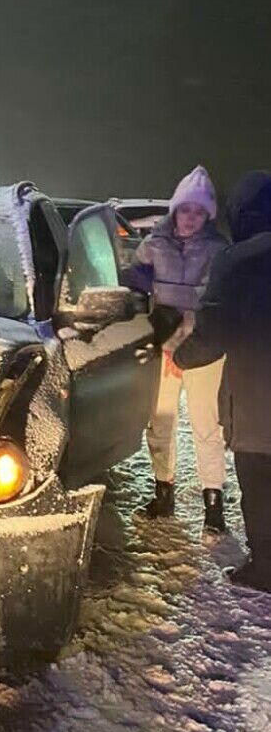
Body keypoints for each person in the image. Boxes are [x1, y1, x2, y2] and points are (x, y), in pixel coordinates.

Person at [176, 171, 271, 590]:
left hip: (257, 403)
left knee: (260, 486)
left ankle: (265, 567)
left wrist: (180, 355)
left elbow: (212, 336)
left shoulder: (237, 262)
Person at [127, 165, 229, 529]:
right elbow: (135, 294)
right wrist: (150, 333)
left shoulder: (220, 252)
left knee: (206, 424)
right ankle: (163, 493)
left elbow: (222, 305)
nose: (190, 218)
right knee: (161, 420)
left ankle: (213, 508)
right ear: (175, 210)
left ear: (208, 215)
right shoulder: (153, 245)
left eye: (199, 211)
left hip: (202, 349)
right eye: (185, 209)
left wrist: (190, 334)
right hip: (163, 346)